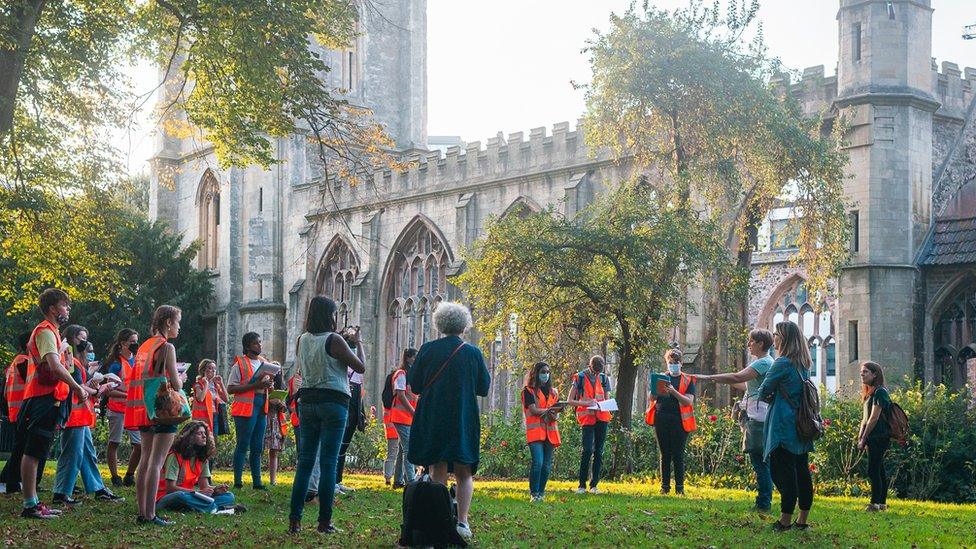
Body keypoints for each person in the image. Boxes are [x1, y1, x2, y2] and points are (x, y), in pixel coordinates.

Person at [408, 302, 491, 543]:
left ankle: (439, 520)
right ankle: (462, 521)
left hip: (433, 415)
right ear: (464, 325)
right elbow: (484, 388)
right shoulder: (473, 352)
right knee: (464, 471)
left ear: (439, 324)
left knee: (437, 469)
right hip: (462, 416)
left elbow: (415, 385)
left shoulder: (427, 349)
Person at [288, 296, 365, 535]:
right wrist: (357, 342)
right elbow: (360, 367)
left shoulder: (302, 339)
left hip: (308, 401)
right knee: (329, 463)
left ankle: (295, 520)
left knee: (305, 463)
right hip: (333, 402)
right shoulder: (334, 340)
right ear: (329, 315)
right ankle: (324, 522)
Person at [13, 288, 88, 519]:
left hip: (47, 398)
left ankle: (33, 502)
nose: (67, 309)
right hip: (42, 399)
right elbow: (54, 367)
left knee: (37, 451)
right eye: (64, 305)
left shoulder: (52, 332)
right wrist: (77, 387)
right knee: (33, 452)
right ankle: (29, 505)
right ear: (53, 308)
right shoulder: (45, 331)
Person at [696, 329, 775, 511]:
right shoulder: (764, 362)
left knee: (760, 462)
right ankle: (763, 501)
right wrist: (721, 380)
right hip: (758, 415)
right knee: (762, 462)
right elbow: (743, 383)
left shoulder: (763, 362)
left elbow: (738, 376)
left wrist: (708, 377)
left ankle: (763, 503)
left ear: (760, 344)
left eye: (751, 341)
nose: (749, 345)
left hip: (758, 417)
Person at [124, 304, 185, 526]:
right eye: (177, 322)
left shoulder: (144, 347)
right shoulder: (167, 347)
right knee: (157, 462)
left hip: (143, 408)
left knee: (145, 460)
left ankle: (143, 512)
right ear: (168, 322)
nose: (179, 327)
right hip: (163, 410)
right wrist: (181, 378)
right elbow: (175, 384)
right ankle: (150, 514)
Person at [53, 330, 123, 504]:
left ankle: (98, 488)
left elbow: (82, 386)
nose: (85, 343)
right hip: (74, 415)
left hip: (80, 416)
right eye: (82, 339)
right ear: (72, 340)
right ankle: (61, 493)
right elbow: (78, 387)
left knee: (86, 454)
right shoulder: (71, 361)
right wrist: (101, 389)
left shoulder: (75, 362)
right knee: (73, 454)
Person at [758, 321, 815, 532]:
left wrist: (772, 393)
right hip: (802, 424)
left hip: (784, 425)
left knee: (782, 471)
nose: (774, 338)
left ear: (785, 338)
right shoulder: (804, 363)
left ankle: (784, 520)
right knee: (801, 470)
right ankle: (802, 520)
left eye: (777, 334)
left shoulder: (782, 362)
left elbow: (764, 391)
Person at [522, 361, 588, 502]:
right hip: (535, 432)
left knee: (546, 466)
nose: (545, 375)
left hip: (550, 432)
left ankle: (541, 493)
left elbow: (555, 412)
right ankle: (534, 493)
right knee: (538, 463)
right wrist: (549, 411)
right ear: (535, 373)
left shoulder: (554, 392)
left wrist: (555, 413)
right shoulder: (528, 391)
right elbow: (533, 410)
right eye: (542, 372)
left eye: (547, 372)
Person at [155, 421, 241, 514]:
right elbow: (170, 488)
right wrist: (198, 492)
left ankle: (204, 507)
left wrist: (215, 489)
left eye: (205, 433)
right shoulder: (175, 456)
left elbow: (205, 487)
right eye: (199, 433)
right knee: (181, 496)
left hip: (191, 496)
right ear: (189, 437)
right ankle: (217, 509)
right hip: (166, 497)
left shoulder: (202, 459)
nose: (204, 436)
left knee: (229, 496)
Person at [645, 349, 697, 495]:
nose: (672, 365)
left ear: (681, 363)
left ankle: (679, 488)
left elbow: (688, 401)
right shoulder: (662, 377)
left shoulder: (687, 380)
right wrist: (656, 389)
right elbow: (652, 398)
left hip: (679, 421)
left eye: (675, 363)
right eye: (670, 363)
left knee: (678, 454)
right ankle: (665, 487)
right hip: (661, 419)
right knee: (665, 454)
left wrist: (673, 391)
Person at [227, 332, 274, 490]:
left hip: (261, 406)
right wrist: (255, 386)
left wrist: (269, 387)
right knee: (243, 444)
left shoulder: (264, 363)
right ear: (247, 346)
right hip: (245, 408)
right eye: (256, 343)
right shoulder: (239, 364)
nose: (260, 345)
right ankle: (238, 481)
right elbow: (230, 388)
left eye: (260, 342)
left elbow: (266, 385)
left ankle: (257, 482)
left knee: (257, 446)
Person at [103, 328, 143, 487]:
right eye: (132, 342)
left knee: (139, 445)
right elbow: (109, 391)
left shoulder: (137, 361)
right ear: (123, 344)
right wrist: (128, 396)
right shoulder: (116, 364)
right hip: (117, 409)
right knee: (114, 443)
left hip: (133, 410)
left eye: (136, 341)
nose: (135, 344)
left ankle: (129, 474)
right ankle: (114, 476)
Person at [569, 355, 613, 495]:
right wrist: (585, 403)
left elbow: (606, 398)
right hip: (587, 418)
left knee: (598, 452)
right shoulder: (579, 378)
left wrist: (604, 404)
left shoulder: (604, 379)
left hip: (602, 417)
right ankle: (582, 485)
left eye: (599, 372)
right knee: (587, 450)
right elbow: (570, 400)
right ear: (590, 366)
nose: (596, 374)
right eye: (594, 371)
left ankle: (594, 485)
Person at [857, 361, 892, 512]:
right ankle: (882, 503)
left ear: (875, 374)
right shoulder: (870, 392)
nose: (862, 374)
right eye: (862, 372)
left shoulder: (880, 392)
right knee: (879, 469)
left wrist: (864, 438)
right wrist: (860, 436)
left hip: (879, 436)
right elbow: (864, 418)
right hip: (872, 436)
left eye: (865, 372)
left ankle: (875, 503)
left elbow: (874, 418)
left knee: (873, 469)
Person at [0, 332, 31, 494]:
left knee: (20, 447)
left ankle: (8, 478)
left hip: (16, 409)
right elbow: (33, 381)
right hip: (22, 410)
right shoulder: (23, 361)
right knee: (21, 448)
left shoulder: (15, 362)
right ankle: (12, 482)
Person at [335, 327, 365, 495]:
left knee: (344, 444)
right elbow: (361, 364)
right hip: (344, 400)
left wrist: (361, 410)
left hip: (354, 402)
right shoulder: (341, 359)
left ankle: (338, 480)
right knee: (338, 445)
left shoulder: (354, 358)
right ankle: (332, 481)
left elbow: (362, 368)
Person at [390, 346, 419, 486]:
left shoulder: (411, 375)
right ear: (408, 358)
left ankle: (398, 480)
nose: (416, 359)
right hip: (401, 416)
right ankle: (411, 481)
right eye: (414, 357)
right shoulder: (401, 374)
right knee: (409, 449)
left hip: (407, 417)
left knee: (402, 450)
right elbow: (401, 395)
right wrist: (413, 411)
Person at [191, 359, 228, 434]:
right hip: (203, 418)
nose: (213, 371)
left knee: (213, 441)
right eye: (210, 368)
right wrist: (206, 385)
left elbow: (226, 399)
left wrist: (221, 384)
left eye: (215, 369)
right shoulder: (199, 384)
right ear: (203, 370)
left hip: (214, 416)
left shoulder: (215, 385)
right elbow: (200, 398)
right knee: (203, 441)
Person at [265, 371, 287, 486]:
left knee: (274, 451)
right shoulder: (263, 385)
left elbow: (284, 409)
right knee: (258, 449)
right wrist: (268, 401)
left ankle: (273, 480)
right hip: (264, 419)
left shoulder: (281, 389)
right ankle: (257, 478)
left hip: (275, 421)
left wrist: (280, 404)